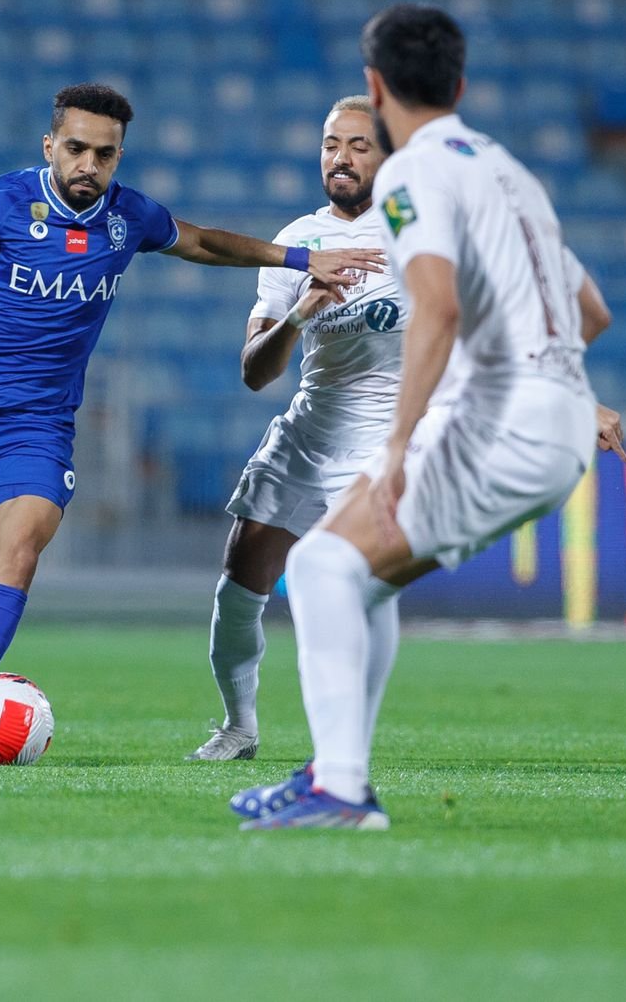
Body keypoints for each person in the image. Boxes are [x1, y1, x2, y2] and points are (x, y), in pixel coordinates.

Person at [0, 82, 383, 764]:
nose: (90, 165)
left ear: (119, 157)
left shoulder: (130, 217)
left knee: (19, 555)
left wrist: (298, 258)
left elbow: (203, 242)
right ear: (50, 146)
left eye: (106, 154)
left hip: (39, 425)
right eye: (78, 149)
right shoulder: (2, 204)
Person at [235, 6, 626, 829]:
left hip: (503, 421)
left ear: (377, 89)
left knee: (317, 570)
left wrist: (405, 443)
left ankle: (339, 789)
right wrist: (567, 395)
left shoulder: (413, 174)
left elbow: (439, 311)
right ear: (460, 84)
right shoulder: (509, 172)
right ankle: (336, 775)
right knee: (357, 576)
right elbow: (590, 309)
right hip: (559, 422)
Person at [186, 95, 396, 762]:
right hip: (309, 429)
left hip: (384, 443)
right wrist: (300, 310)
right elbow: (255, 372)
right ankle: (239, 726)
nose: (341, 157)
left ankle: (342, 747)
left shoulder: (419, 237)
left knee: (346, 586)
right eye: (332, 143)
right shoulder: (295, 242)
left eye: (359, 145)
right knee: (240, 578)